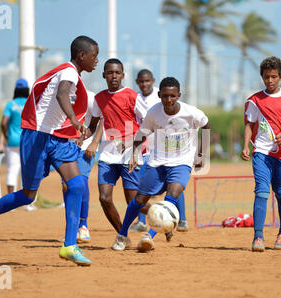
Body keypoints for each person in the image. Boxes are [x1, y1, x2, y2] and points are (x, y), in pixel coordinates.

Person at [0, 35, 99, 266]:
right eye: (94, 56)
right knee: (28, 196)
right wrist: (74, 121)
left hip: (57, 139)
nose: (97, 61)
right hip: (37, 136)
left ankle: (69, 246)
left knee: (77, 184)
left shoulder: (74, 75)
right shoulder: (68, 72)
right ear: (81, 56)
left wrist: (74, 126)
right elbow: (61, 94)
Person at [110, 76, 210, 252]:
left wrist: (202, 153)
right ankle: (122, 235)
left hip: (182, 162)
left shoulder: (191, 112)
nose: (168, 100)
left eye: (172, 96)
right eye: (165, 96)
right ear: (159, 95)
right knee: (139, 200)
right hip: (158, 163)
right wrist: (134, 154)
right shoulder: (154, 113)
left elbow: (206, 125)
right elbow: (141, 135)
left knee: (172, 196)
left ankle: (149, 236)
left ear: (179, 95)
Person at [241, 56, 281, 252]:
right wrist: (245, 145)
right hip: (262, 152)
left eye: (274, 77)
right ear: (262, 77)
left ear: (280, 77)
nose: (270, 81)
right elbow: (249, 124)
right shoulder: (255, 100)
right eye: (267, 77)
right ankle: (258, 237)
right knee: (261, 191)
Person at [85, 58, 149, 235]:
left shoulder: (133, 97)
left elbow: (148, 125)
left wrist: (133, 147)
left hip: (130, 155)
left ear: (123, 75)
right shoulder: (99, 99)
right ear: (104, 75)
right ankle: (122, 234)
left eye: (117, 73)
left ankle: (162, 216)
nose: (114, 76)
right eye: (110, 72)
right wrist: (86, 138)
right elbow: (95, 124)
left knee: (133, 202)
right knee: (104, 198)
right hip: (107, 156)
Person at [129, 69, 189, 233]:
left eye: (147, 81)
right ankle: (141, 222)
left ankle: (181, 219)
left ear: (153, 81)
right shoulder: (136, 99)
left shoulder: (164, 93)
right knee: (143, 188)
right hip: (146, 149)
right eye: (141, 81)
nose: (144, 84)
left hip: (164, 149)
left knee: (174, 186)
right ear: (137, 82)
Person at [61, 89, 103, 243]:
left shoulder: (90, 97)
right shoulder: (60, 96)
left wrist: (94, 142)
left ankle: (83, 226)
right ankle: (71, 228)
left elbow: (102, 119)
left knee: (80, 182)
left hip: (86, 146)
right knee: (66, 186)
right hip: (64, 146)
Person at [0, 79, 37, 211]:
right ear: (27, 90)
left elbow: (4, 123)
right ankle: (27, 203)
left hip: (12, 141)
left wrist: (6, 135)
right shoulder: (30, 103)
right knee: (27, 172)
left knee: (12, 170)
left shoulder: (10, 104)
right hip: (28, 142)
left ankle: (10, 204)